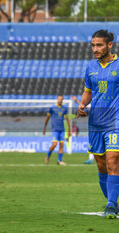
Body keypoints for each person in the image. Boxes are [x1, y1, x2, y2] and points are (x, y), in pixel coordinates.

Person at [78, 30, 119, 219]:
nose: (95, 49)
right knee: (101, 165)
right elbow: (88, 91)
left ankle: (110, 205)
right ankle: (113, 202)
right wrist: (82, 104)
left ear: (109, 45)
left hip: (115, 121)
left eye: (99, 45)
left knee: (112, 161)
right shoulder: (90, 68)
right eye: (93, 45)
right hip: (95, 122)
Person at [43, 95, 71, 165]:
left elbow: (67, 119)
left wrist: (69, 130)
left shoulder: (64, 108)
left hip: (62, 129)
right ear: (57, 99)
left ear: (63, 100)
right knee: (55, 144)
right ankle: (48, 156)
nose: (60, 100)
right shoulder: (52, 108)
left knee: (61, 145)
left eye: (61, 99)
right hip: (55, 129)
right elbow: (47, 118)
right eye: (59, 99)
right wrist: (45, 127)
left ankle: (59, 161)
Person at [71, 96, 94, 164]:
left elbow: (84, 106)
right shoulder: (94, 103)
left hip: (99, 126)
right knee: (92, 143)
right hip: (94, 126)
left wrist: (76, 100)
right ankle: (90, 159)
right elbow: (85, 106)